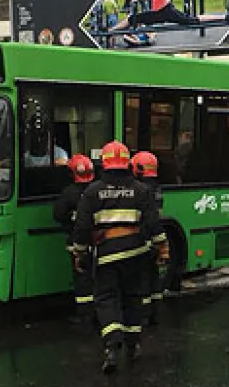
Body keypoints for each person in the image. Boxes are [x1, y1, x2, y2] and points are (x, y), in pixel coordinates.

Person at [71, 141, 167, 373]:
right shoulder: (141, 190)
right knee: (132, 298)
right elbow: (153, 224)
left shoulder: (92, 192)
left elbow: (82, 228)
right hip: (136, 255)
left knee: (106, 299)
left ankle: (112, 346)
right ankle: (133, 345)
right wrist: (162, 249)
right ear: (127, 163)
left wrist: (80, 253)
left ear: (104, 162)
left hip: (106, 257)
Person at [53, 155, 96, 316]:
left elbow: (58, 214)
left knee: (82, 279)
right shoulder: (97, 190)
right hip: (99, 242)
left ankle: (85, 316)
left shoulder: (69, 193)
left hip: (76, 243)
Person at [131, 151, 164, 325]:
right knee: (154, 276)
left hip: (143, 241)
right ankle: (156, 312)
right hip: (155, 240)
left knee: (143, 278)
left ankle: (143, 314)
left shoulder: (140, 190)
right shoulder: (156, 188)